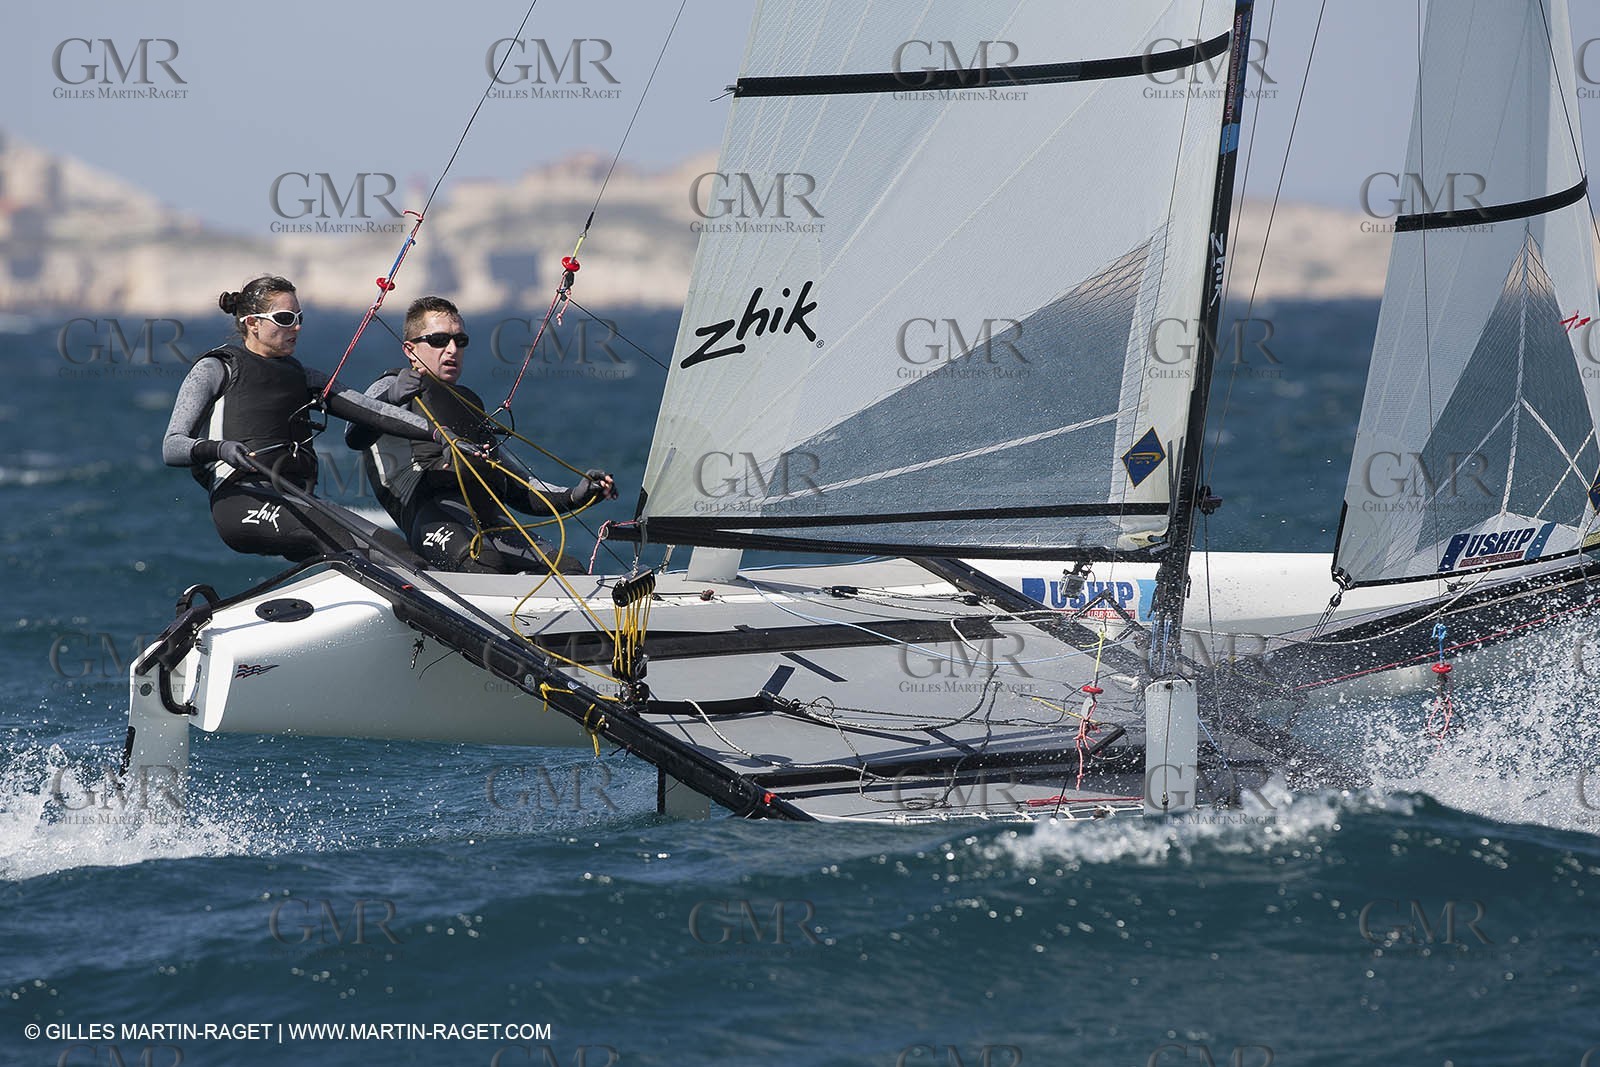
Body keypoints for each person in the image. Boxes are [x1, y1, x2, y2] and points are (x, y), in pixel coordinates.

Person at [163, 275, 443, 564]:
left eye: (299, 317)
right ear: (252, 323)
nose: (296, 326)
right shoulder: (217, 368)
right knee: (346, 544)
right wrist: (219, 449)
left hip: (297, 501)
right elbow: (172, 446)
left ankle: (426, 603)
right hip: (242, 500)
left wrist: (441, 435)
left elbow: (374, 412)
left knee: (400, 552)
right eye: (285, 318)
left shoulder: (305, 378)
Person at [345, 296, 616, 574]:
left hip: (491, 520)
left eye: (459, 341)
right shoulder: (392, 384)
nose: (451, 349)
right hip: (434, 518)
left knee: (570, 569)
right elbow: (353, 432)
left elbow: (517, 487)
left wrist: (576, 494)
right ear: (410, 349)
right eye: (438, 340)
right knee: (485, 563)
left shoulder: (469, 404)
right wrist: (390, 396)